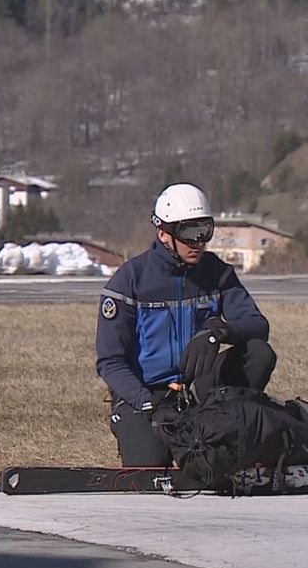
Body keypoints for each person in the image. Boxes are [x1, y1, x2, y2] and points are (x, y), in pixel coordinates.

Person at [95, 183, 276, 466]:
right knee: (149, 466)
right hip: (147, 394)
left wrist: (218, 331)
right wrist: (148, 403)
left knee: (258, 353)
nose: (199, 242)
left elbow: (257, 325)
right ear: (164, 234)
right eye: (190, 233)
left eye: (205, 231)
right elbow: (110, 362)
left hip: (199, 389)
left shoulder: (217, 273)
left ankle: (224, 424)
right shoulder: (129, 280)